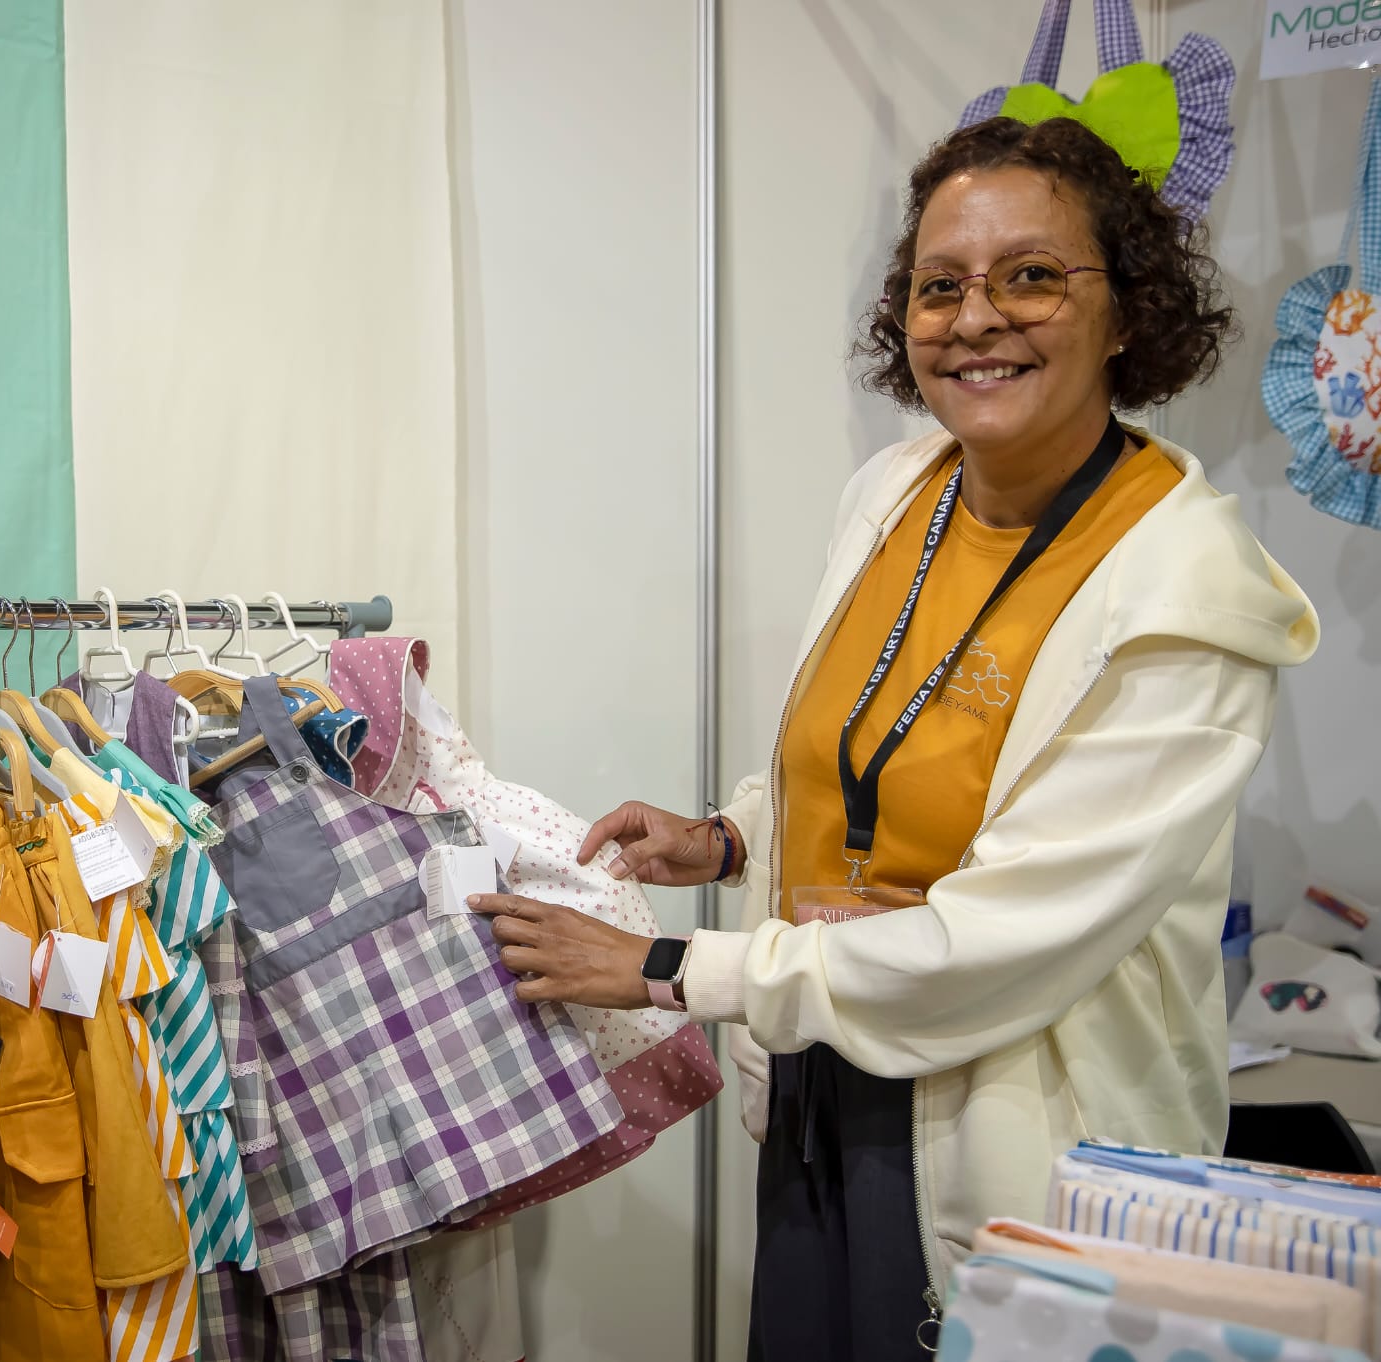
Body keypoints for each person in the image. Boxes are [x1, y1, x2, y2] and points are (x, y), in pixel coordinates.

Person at [468, 116, 1320, 1361]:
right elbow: (873, 742)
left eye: (1030, 275)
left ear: (1127, 311)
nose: (974, 317)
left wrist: (667, 969)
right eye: (938, 285)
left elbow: (1000, 945)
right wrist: (727, 838)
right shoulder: (897, 493)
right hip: (827, 1073)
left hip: (1018, 1136)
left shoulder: (1189, 601)